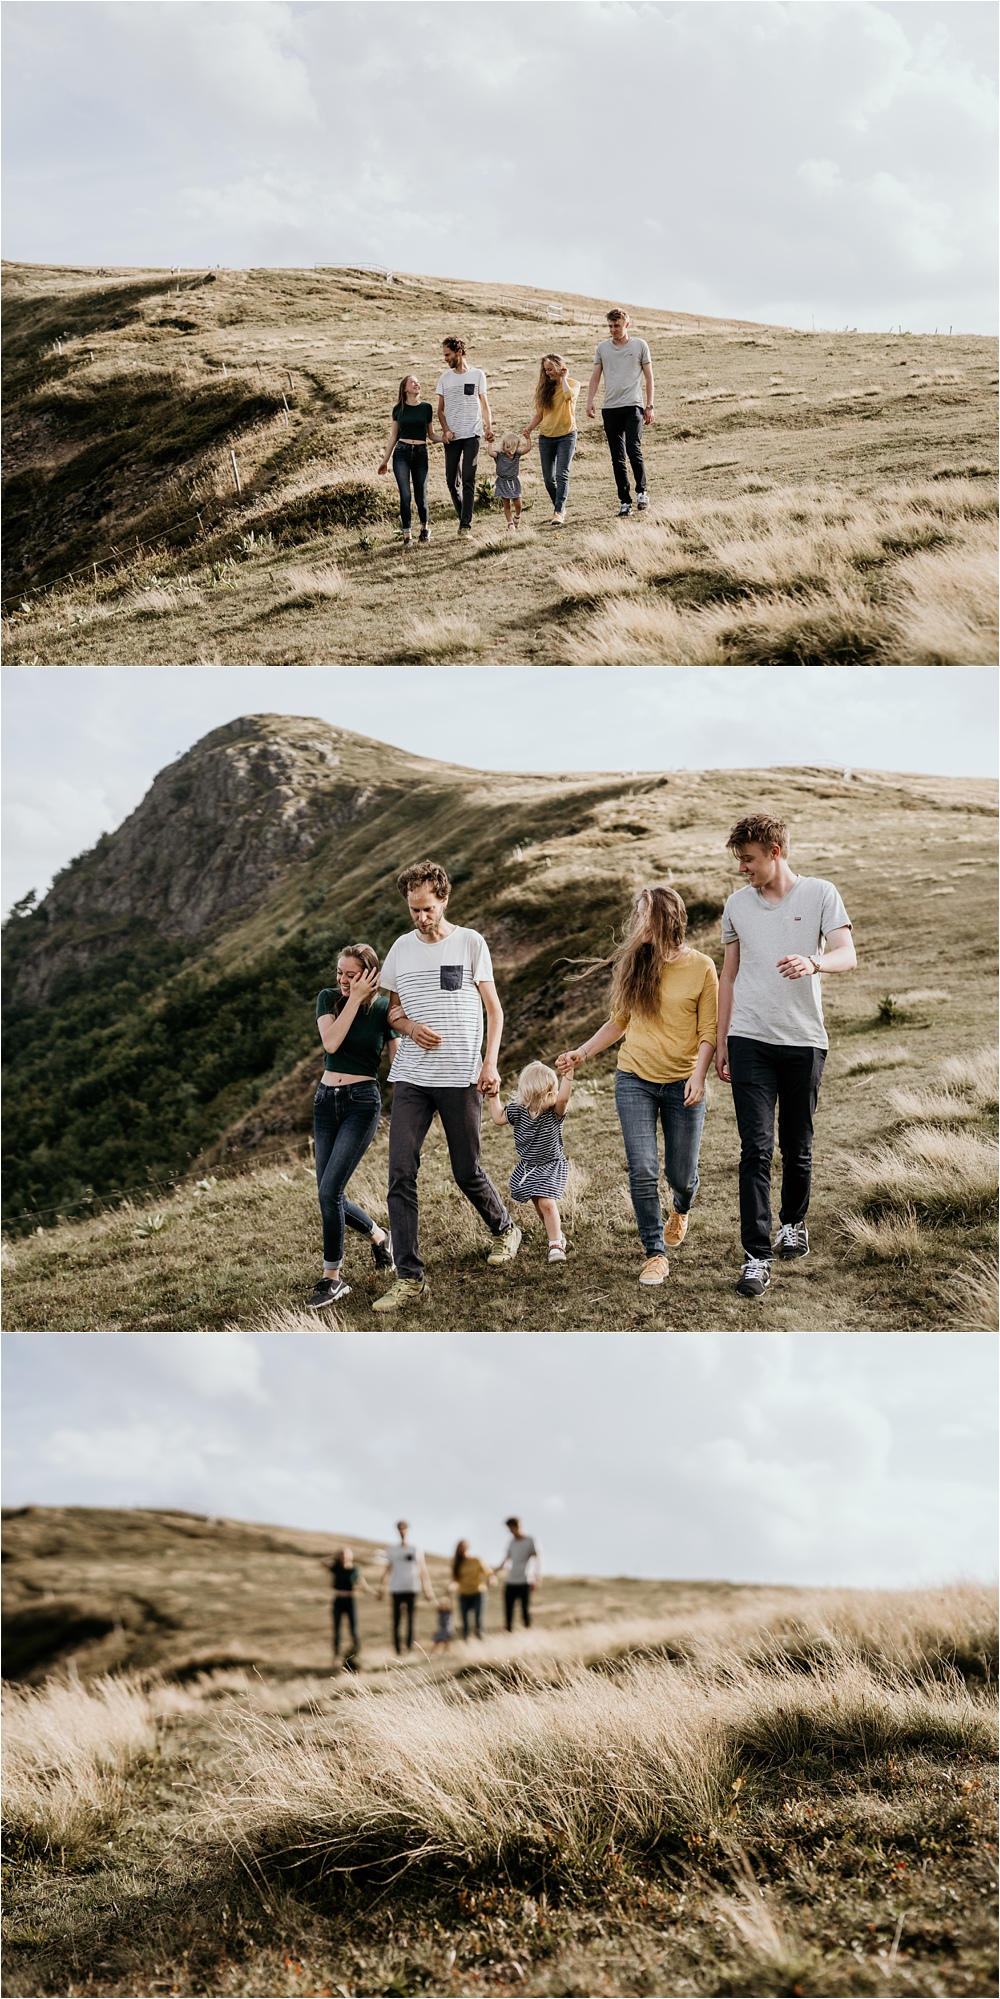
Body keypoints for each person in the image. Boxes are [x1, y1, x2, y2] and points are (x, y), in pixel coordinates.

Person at [716, 812, 857, 1300]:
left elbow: (847, 954)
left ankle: (793, 1223)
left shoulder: (821, 894)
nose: (742, 869)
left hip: (804, 1041)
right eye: (739, 860)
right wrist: (721, 1040)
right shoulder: (736, 905)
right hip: (750, 1038)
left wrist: (814, 961)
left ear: (775, 853)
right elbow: (728, 977)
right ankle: (756, 1256)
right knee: (754, 1148)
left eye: (749, 859)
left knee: (796, 1146)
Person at [373, 859, 522, 1312]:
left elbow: (494, 1012)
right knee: (400, 1173)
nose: (420, 917)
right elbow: (392, 1012)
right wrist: (410, 1027)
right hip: (413, 1079)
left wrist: (490, 1064)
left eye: (427, 908)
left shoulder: (471, 943)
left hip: (461, 1077)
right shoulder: (401, 949)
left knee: (466, 1170)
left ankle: (505, 1229)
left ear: (443, 899)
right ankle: (409, 1276)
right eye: (413, 910)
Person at [557, 887, 717, 1288]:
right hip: (635, 1079)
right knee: (643, 1169)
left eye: (643, 914)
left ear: (666, 918)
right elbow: (619, 1021)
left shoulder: (702, 967)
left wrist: (699, 1075)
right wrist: (583, 1052)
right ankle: (654, 1254)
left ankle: (681, 1207)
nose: (636, 922)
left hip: (683, 1082)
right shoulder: (636, 963)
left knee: (681, 1175)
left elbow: (710, 1030)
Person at [307, 945, 398, 1311]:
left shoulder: (383, 1008)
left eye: (351, 975)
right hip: (326, 1101)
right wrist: (352, 998)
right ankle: (381, 1237)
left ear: (369, 974)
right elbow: (331, 1042)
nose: (343, 980)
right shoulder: (328, 999)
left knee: (330, 1191)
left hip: (362, 1103)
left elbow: (397, 1062)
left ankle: (332, 1279)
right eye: (340, 973)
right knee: (329, 1194)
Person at [487, 1061, 572, 1262]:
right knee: (541, 1207)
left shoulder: (555, 1111)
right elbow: (499, 1118)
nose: (531, 1104)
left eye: (538, 1099)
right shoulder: (519, 1110)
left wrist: (568, 1074)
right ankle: (557, 1237)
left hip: (551, 1164)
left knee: (547, 1203)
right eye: (529, 1098)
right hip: (529, 1167)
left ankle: (555, 1246)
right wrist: (493, 1096)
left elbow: (565, 1097)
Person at [586, 308, 654, 517]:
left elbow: (649, 377)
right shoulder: (602, 348)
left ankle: (641, 492)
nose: (613, 330)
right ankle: (625, 501)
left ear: (627, 325)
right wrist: (589, 401)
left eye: (617, 325)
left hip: (633, 406)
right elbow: (596, 377)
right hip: (610, 408)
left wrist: (649, 406)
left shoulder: (640, 345)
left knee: (633, 449)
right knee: (617, 458)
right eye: (610, 326)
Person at [436, 337, 493, 535]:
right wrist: (445, 430)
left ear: (459, 353)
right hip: (452, 436)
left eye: (447, 355)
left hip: (473, 433)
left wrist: (489, 427)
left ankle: (465, 525)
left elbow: (484, 405)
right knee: (452, 481)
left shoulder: (478, 375)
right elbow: (440, 411)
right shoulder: (445, 378)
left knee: (469, 478)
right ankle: (463, 516)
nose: (445, 359)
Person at [377, 373, 439, 546]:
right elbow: (393, 437)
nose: (417, 384)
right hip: (401, 453)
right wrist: (385, 461)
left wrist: (445, 438)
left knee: (421, 496)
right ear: (405, 388)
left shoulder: (426, 408)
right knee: (405, 495)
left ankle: (424, 530)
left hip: (421, 453)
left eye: (418, 382)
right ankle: (407, 536)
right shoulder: (398, 409)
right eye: (413, 382)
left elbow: (431, 434)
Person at [523, 353, 579, 525]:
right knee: (548, 478)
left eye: (550, 369)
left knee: (562, 474)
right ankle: (559, 506)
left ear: (559, 368)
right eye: (546, 370)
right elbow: (540, 414)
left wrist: (563, 378)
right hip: (546, 437)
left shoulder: (573, 384)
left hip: (567, 435)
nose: (548, 373)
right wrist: (529, 428)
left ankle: (559, 511)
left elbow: (569, 397)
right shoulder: (544, 389)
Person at [376, 1520, 435, 1654]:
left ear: (408, 1530)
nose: (402, 1531)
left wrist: (428, 1590)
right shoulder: (391, 1550)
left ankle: (409, 1648)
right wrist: (382, 1588)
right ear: (397, 1530)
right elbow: (388, 1570)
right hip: (396, 1588)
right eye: (400, 1528)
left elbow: (423, 1570)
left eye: (404, 1528)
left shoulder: (415, 1549)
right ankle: (397, 1650)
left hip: (412, 1588)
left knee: (411, 1620)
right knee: (396, 1621)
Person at [321, 1544, 376, 1665]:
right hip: (338, 1600)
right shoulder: (336, 1567)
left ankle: (356, 1654)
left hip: (350, 1601)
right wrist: (334, 1557)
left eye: (346, 1554)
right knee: (337, 1630)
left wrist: (375, 1593)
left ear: (351, 1556)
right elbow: (322, 1561)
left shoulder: (354, 1570)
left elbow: (364, 1586)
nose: (344, 1557)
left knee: (354, 1629)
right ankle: (336, 1656)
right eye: (342, 1554)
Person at [494, 1516, 541, 1630]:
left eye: (511, 1529)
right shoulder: (511, 1542)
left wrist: (537, 1577)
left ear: (517, 1526)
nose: (510, 1532)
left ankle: (528, 1632)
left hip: (525, 1580)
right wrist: (494, 1572)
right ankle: (509, 1633)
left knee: (525, 1610)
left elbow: (538, 1559)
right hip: (511, 1581)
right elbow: (505, 1560)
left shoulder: (530, 1540)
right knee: (508, 1611)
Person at [485, 429, 531, 531]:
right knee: (507, 505)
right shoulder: (499, 455)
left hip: (514, 482)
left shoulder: (517, 455)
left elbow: (528, 448)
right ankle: (510, 523)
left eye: (511, 448)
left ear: (515, 448)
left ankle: (517, 517)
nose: (508, 450)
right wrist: (490, 443)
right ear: (503, 445)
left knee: (518, 504)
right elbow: (490, 453)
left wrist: (528, 438)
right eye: (506, 446)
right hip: (502, 482)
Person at [452, 1540, 492, 1638]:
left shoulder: (476, 1560)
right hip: (463, 1594)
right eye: (460, 1548)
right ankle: (466, 1642)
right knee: (465, 1622)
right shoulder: (457, 1563)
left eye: (464, 1547)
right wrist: (451, 1587)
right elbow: (455, 1579)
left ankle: (480, 1640)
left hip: (477, 1593)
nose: (462, 1550)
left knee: (478, 1620)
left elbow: (489, 1573)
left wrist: (491, 1579)